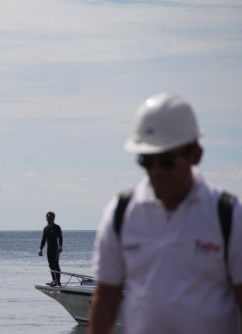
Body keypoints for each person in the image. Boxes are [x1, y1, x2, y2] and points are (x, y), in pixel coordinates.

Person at [89, 93, 242, 334]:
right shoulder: (120, 214)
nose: (157, 171)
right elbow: (106, 298)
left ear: (195, 154)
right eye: (147, 162)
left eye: (167, 161)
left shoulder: (228, 216)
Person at [39, 211, 63, 286]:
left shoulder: (56, 227)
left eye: (52, 218)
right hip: (49, 249)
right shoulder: (46, 228)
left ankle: (58, 281)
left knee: (56, 264)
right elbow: (44, 239)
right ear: (46, 218)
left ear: (54, 218)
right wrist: (41, 249)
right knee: (50, 265)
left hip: (56, 248)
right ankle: (53, 280)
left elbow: (60, 237)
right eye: (49, 217)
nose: (50, 219)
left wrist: (60, 246)